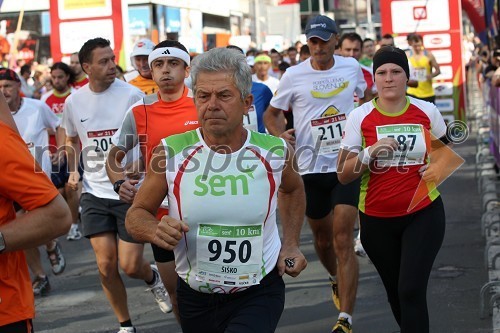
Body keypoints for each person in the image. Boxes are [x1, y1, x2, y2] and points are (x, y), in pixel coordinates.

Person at [126, 47, 307, 333]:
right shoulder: (170, 152)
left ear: (247, 102)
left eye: (223, 95)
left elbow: (293, 190)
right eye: (203, 96)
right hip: (195, 296)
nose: (212, 105)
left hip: (259, 289)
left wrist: (292, 243)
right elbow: (136, 214)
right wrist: (154, 230)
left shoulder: (275, 151)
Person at [264, 15, 366, 333]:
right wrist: (281, 135)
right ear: (307, 43)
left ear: (336, 40)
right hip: (308, 168)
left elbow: (366, 99)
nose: (318, 47)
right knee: (322, 240)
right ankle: (336, 278)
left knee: (342, 236)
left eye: (324, 40)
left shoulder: (351, 68)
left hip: (345, 164)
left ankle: (345, 319)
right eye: (313, 41)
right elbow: (272, 114)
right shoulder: (294, 75)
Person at [337, 46, 449, 333]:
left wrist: (438, 168)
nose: (389, 78)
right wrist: (368, 153)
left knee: (411, 289)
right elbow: (343, 175)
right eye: (382, 72)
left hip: (423, 213)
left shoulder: (427, 110)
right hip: (376, 219)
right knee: (397, 293)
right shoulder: (359, 117)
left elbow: (446, 148)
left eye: (396, 72)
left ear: (406, 77)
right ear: (374, 78)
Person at [61, 37, 167, 333]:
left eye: (112, 59)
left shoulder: (132, 95)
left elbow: (151, 139)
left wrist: (141, 163)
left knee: (130, 266)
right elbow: (70, 137)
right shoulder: (74, 101)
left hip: (130, 189)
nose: (112, 65)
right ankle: (125, 325)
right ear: (86, 68)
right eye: (103, 61)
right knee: (106, 266)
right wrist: (74, 171)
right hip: (94, 192)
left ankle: (152, 277)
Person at [107, 39, 200, 319]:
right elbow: (114, 156)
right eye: (158, 64)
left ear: (186, 68)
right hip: (161, 215)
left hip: (206, 207)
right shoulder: (140, 110)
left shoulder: (202, 102)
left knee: (214, 288)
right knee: (177, 293)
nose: (166, 70)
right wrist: (118, 183)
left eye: (173, 64)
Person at [0, 87, 72, 333]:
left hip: (5, 309)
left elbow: (57, 215)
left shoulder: (36, 107)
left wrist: (61, 152)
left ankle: (44, 265)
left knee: (24, 222)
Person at [41, 62, 82, 241]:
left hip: (74, 149)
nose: (56, 80)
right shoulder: (46, 99)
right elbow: (47, 126)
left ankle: (73, 225)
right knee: (59, 192)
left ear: (67, 77)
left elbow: (78, 125)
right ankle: (65, 222)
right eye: (54, 77)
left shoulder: (75, 97)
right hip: (52, 151)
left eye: (60, 77)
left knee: (71, 188)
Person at [406, 34, 441, 103]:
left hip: (427, 93)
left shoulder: (428, 55)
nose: (417, 48)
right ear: (411, 45)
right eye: (415, 46)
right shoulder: (407, 55)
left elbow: (438, 71)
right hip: (412, 92)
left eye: (419, 45)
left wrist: (430, 75)